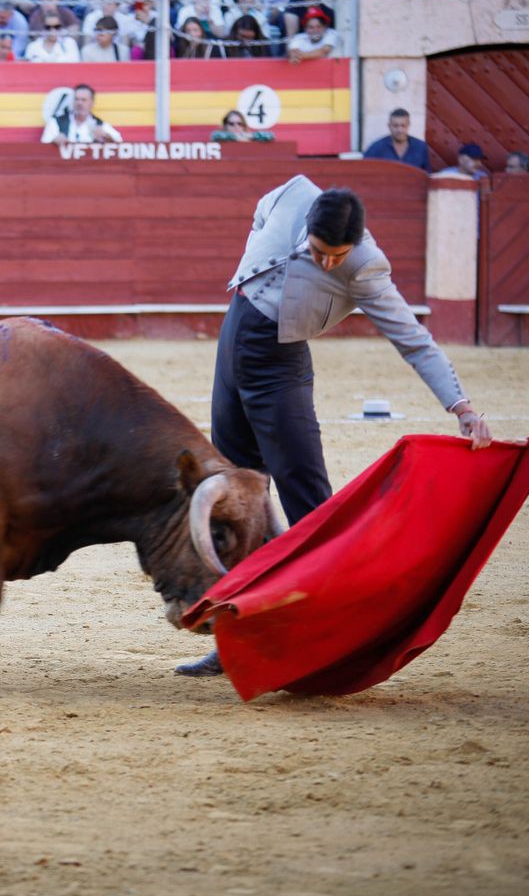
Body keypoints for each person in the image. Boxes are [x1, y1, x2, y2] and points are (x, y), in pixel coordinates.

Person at [182, 177, 494, 677]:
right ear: (309, 227)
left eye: (337, 256)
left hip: (279, 367)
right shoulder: (291, 197)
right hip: (233, 340)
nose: (329, 263)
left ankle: (323, 635)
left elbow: (412, 339)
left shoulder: (365, 266)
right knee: (237, 495)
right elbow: (262, 213)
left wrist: (462, 407)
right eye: (321, 252)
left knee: (308, 498)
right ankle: (239, 635)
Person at [41, 82, 120, 143]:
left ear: (92, 103)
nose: (79, 103)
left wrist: (106, 137)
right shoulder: (57, 122)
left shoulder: (99, 124)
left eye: (83, 100)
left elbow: (120, 143)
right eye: (76, 99)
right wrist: (53, 141)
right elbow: (43, 145)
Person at [362, 108, 431, 171]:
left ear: (408, 125)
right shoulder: (376, 148)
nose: (400, 130)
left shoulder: (420, 147)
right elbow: (364, 172)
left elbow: (427, 175)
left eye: (403, 125)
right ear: (389, 126)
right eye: (395, 126)